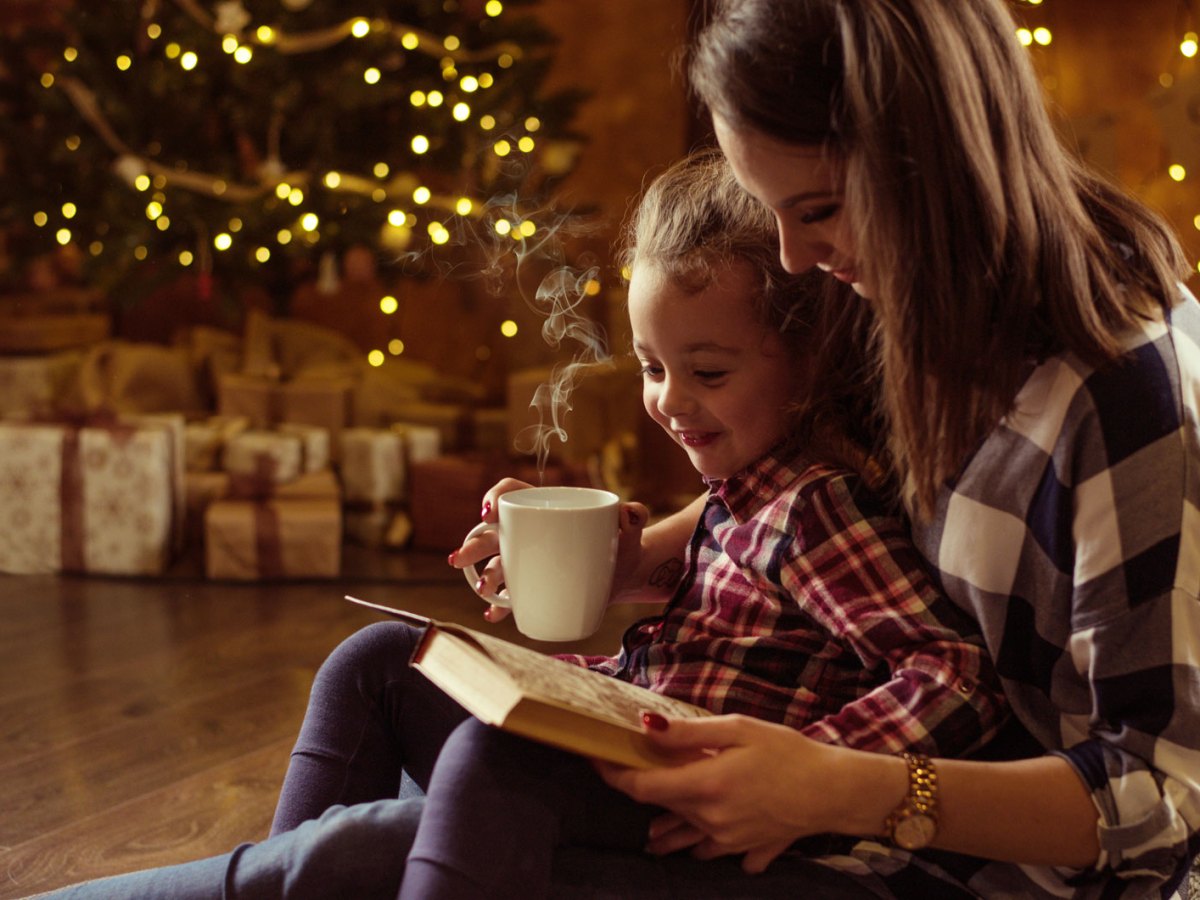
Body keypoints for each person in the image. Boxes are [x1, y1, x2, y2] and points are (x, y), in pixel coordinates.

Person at [41, 149, 1007, 900]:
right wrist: (628, 568)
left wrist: (813, 778)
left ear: (809, 368)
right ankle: (284, 868)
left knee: (474, 770)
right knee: (380, 661)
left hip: (731, 830)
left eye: (708, 372)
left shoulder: (816, 505)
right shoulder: (745, 492)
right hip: (643, 747)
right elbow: (760, 611)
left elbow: (955, 674)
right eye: (650, 365)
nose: (670, 402)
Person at [582, 0, 1200, 897]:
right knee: (382, 711)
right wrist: (646, 552)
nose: (794, 257)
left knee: (370, 856)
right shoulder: (912, 288)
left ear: (934, 158)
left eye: (819, 208)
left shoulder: (1127, 405)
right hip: (878, 833)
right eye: (771, 211)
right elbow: (815, 483)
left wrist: (842, 789)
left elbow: (1168, 803)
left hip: (998, 874)